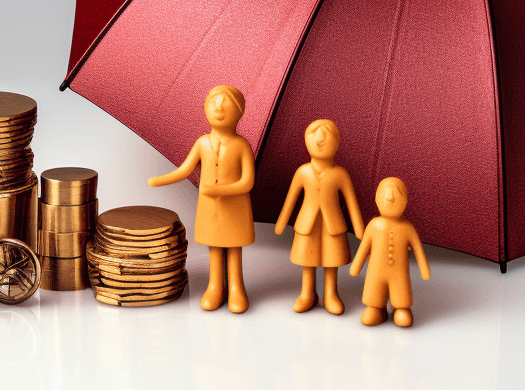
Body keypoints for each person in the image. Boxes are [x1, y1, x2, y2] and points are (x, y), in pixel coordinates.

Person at [148, 85, 255, 313]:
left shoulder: (241, 145)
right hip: (210, 209)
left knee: (234, 247)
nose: (219, 108)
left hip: (235, 208)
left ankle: (236, 287)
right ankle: (216, 287)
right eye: (213, 102)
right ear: (205, 108)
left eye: (226, 104)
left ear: (240, 112)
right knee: (215, 247)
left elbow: (248, 182)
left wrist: (221, 191)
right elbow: (185, 170)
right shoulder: (202, 143)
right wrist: (160, 180)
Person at [274, 119, 366, 314]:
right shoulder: (303, 171)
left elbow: (351, 202)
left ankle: (331, 293)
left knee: (331, 260)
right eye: (314, 135)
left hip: (333, 224)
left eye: (327, 136)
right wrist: (281, 222)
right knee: (308, 260)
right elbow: (291, 199)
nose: (320, 140)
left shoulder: (340, 174)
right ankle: (307, 293)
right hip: (307, 223)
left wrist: (359, 228)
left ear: (338, 143)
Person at [350, 176, 431, 327]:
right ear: (376, 198)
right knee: (374, 295)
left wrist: (424, 269)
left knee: (401, 297)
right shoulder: (374, 225)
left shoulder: (407, 228)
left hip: (399, 274)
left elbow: (418, 250)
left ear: (406, 199)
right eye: (385, 193)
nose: (390, 198)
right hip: (376, 272)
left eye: (396, 193)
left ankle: (401, 309)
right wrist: (356, 266)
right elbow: (364, 247)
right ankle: (376, 308)